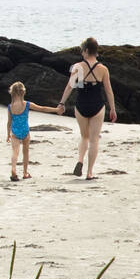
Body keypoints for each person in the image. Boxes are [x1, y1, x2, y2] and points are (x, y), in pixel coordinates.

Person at [55, 37, 117, 180]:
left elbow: (70, 86)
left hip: (81, 104)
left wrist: (62, 103)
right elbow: (108, 91)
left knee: (84, 136)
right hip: (97, 106)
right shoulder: (103, 69)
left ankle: (80, 160)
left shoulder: (78, 67)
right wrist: (112, 109)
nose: (81, 53)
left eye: (82, 50)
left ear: (87, 50)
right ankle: (89, 172)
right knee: (94, 140)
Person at [6, 81, 64, 181]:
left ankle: (13, 169)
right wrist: (56, 110)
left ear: (12, 93)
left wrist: (8, 134)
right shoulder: (27, 104)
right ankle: (25, 173)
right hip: (25, 130)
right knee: (26, 152)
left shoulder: (10, 107)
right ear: (23, 92)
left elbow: (9, 122)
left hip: (15, 131)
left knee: (15, 152)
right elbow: (43, 108)